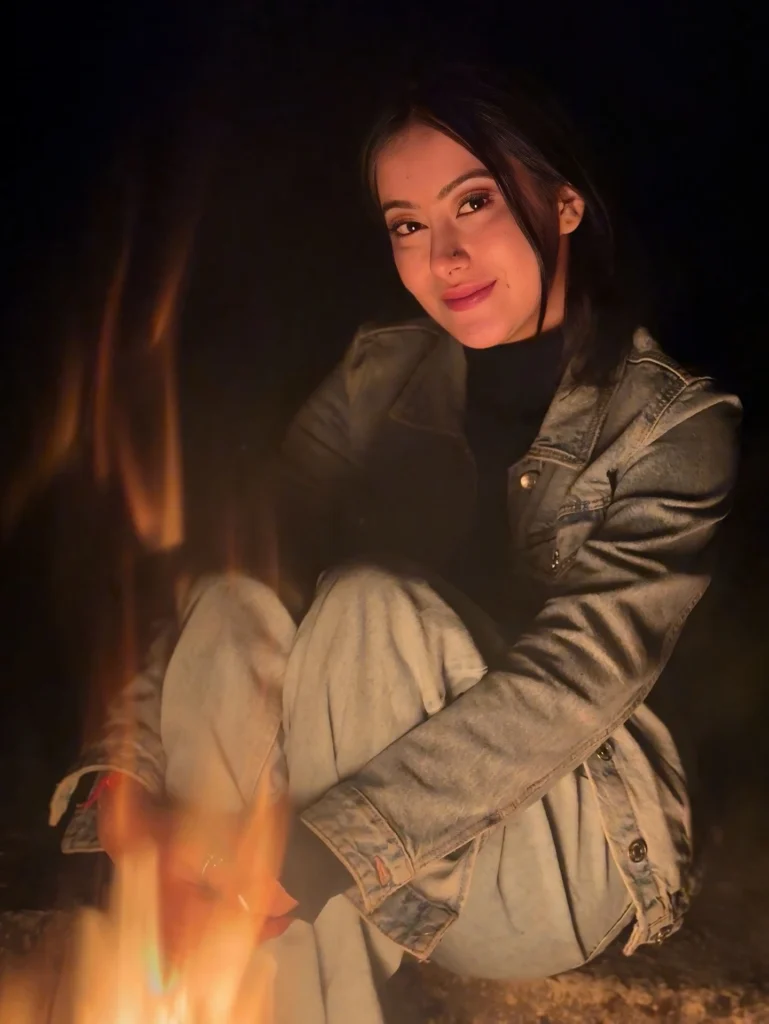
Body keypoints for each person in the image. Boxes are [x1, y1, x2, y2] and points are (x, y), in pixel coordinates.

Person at [50, 66, 740, 1023]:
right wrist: (123, 773)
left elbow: (578, 676)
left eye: (474, 203)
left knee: (370, 603)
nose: (443, 256)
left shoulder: (670, 426)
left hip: (549, 858)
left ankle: (252, 929)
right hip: (334, 861)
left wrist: (316, 852)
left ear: (565, 202)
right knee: (238, 599)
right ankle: (211, 949)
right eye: (407, 224)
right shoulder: (380, 372)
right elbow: (242, 578)